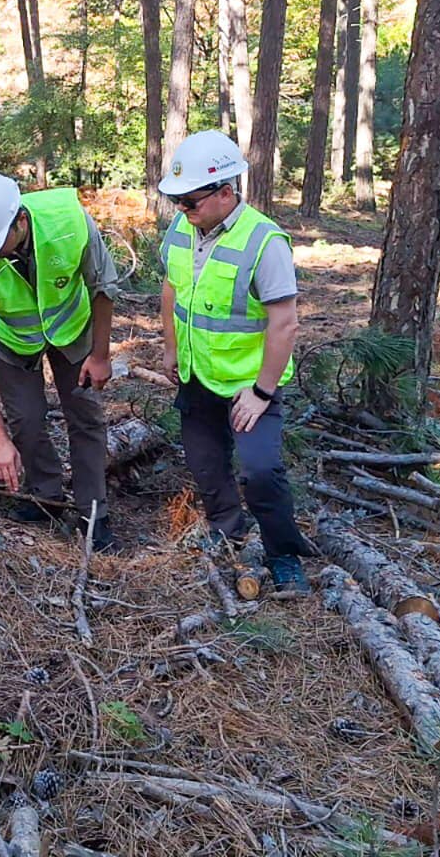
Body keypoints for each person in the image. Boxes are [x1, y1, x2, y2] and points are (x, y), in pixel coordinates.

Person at [157, 130, 311, 595]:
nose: (183, 209)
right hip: (197, 373)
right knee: (205, 462)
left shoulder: (265, 243)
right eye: (177, 201)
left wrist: (261, 392)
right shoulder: (183, 229)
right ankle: (227, 527)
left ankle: (284, 555)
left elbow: (284, 324)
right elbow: (171, 290)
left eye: (191, 201)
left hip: (248, 382)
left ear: (226, 192)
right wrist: (170, 347)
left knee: (261, 470)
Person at [0, 171, 120, 551]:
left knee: (86, 416)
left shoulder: (69, 220)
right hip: (13, 339)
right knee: (25, 420)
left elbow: (103, 285)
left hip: (73, 327)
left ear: (21, 221)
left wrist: (100, 354)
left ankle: (93, 511)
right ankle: (44, 496)